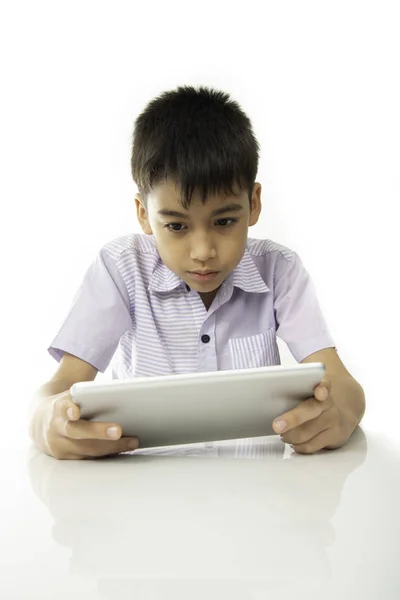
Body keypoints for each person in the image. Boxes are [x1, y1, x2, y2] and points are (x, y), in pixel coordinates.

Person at [29, 85, 365, 460]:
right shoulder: (121, 268)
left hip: (259, 499)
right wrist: (45, 420)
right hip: (142, 501)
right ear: (144, 214)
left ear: (253, 204)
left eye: (224, 221)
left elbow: (344, 386)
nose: (203, 251)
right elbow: (59, 389)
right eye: (176, 226)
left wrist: (341, 415)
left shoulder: (278, 271)